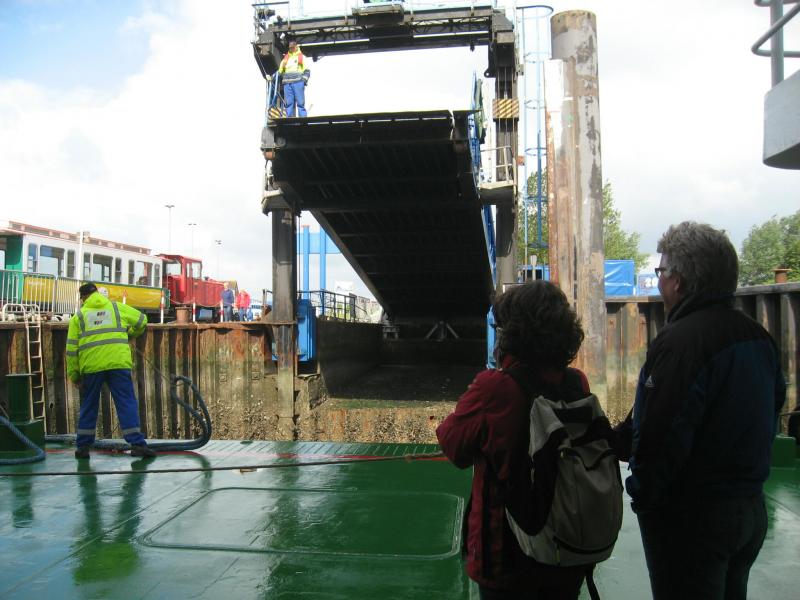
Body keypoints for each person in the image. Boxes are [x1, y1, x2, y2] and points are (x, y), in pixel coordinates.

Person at [614, 222, 785, 599]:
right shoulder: (757, 336)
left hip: (693, 519)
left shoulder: (681, 342)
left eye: (661, 272)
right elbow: (774, 407)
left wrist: (642, 493)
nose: (660, 281)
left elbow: (663, 431)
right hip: (749, 510)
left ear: (678, 280)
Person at [437, 281, 590, 599]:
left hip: (508, 553)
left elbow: (453, 446)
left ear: (513, 334)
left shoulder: (496, 388)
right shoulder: (577, 382)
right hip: (567, 543)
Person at [67, 282, 156, 459]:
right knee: (126, 402)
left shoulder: (79, 317)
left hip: (91, 366)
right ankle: (137, 444)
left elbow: (71, 350)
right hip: (118, 363)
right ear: (97, 293)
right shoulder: (116, 308)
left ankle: (83, 447)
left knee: (89, 405)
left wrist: (74, 375)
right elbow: (142, 320)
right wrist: (131, 333)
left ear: (83, 298)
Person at [278, 39, 310, 117]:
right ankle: (289, 118)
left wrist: (303, 81)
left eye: (293, 47)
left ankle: (303, 118)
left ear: (296, 47)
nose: (291, 49)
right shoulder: (285, 58)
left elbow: (307, 71)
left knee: (300, 102)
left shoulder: (301, 57)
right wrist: (283, 79)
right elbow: (280, 71)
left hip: (298, 82)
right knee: (289, 103)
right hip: (287, 83)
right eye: (290, 47)